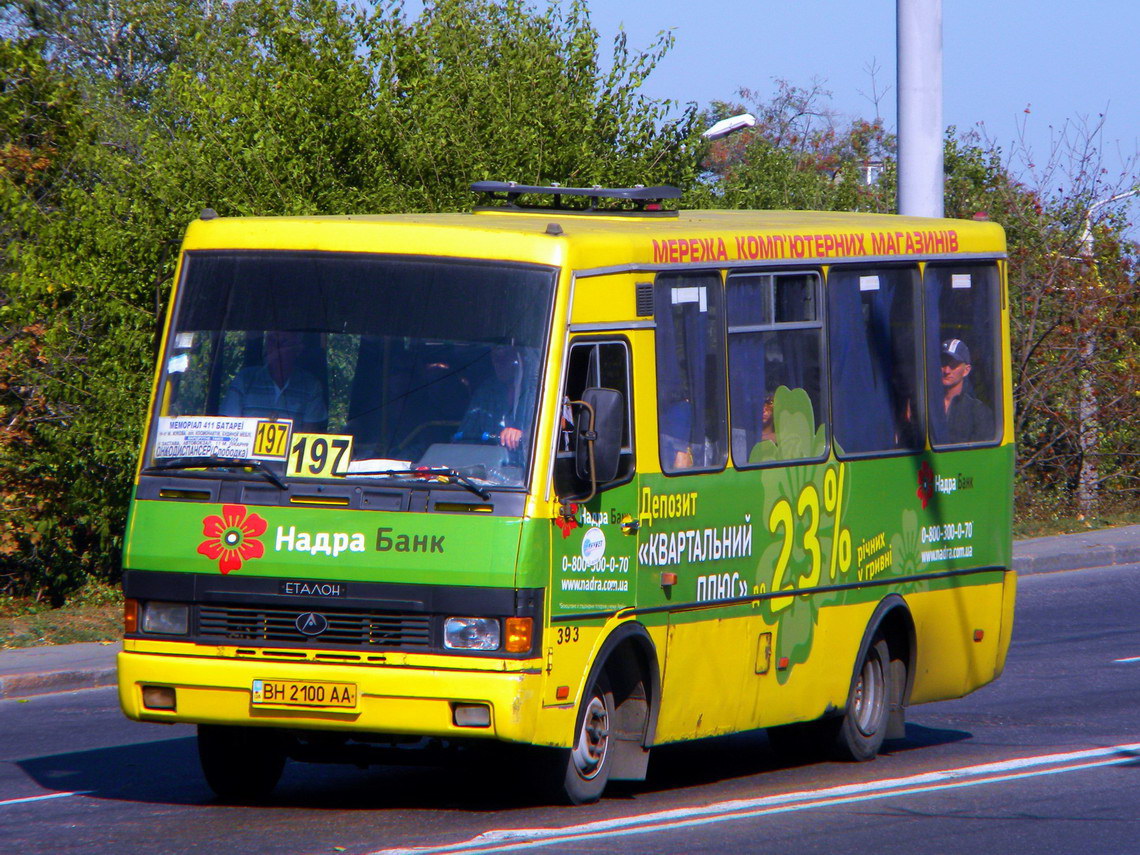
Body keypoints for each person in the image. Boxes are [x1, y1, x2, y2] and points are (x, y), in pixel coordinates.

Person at [221, 330, 327, 432]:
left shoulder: (311, 386)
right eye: (271, 342)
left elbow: (308, 436)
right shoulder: (245, 380)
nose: (275, 349)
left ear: (298, 350)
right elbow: (228, 428)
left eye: (283, 344)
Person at [456, 344, 528, 452]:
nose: (499, 364)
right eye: (496, 359)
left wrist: (525, 435)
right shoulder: (486, 391)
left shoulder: (537, 390)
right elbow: (464, 437)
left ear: (519, 358)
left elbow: (548, 434)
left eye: (505, 358)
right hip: (486, 462)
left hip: (526, 465)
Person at [940, 338, 993, 443]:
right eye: (943, 363)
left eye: (953, 365)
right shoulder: (925, 406)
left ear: (966, 370)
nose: (947, 370)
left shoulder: (978, 411)